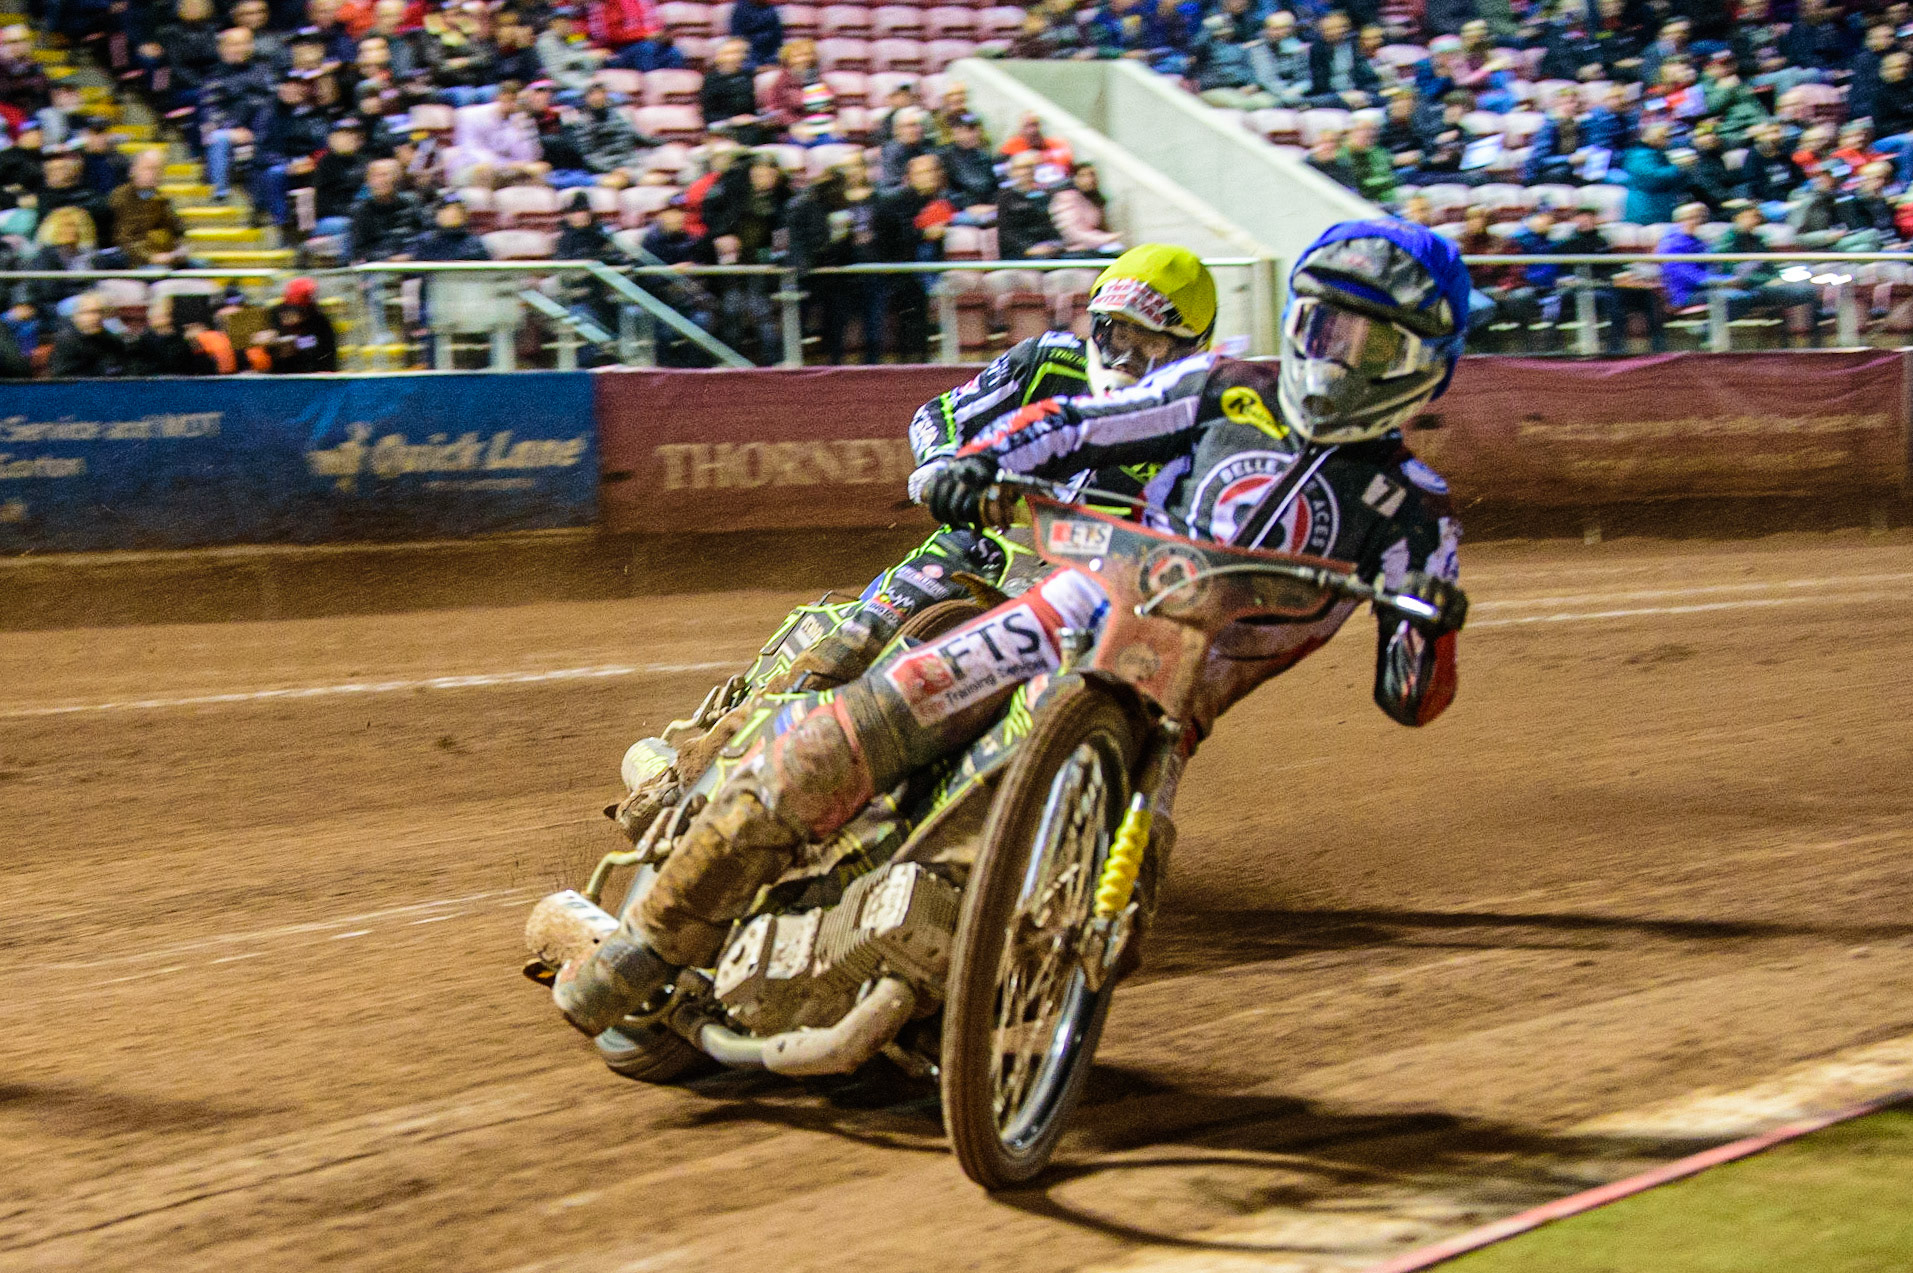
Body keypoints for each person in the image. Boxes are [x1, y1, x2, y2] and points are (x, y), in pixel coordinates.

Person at [549, 224, 1470, 1035]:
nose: (1334, 357)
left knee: (1101, 900)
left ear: (1417, 362)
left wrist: (1429, 622)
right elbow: (1078, 422)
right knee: (837, 730)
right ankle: (652, 931)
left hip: (1169, 697)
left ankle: (938, 991)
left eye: (1367, 341)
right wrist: (977, 463)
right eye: (1321, 327)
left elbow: (1410, 695)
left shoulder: (1418, 519)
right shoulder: (1226, 389)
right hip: (1058, 602)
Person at [607, 245, 1202, 846]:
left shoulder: (1206, 429)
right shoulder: (1049, 362)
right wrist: (941, 463)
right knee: (856, 643)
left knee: (1144, 709)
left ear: (1188, 347)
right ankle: (685, 780)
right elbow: (940, 413)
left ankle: (1115, 836)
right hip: (981, 550)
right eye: (1113, 333)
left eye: (1146, 341)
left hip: (1094, 597)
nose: (1123, 355)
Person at [108, 149, 188, 267]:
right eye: (149, 168)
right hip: (137, 262)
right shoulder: (121, 198)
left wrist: (180, 251)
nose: (154, 174)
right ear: (133, 170)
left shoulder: (162, 199)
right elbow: (125, 241)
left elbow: (178, 231)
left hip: (168, 257)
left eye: (158, 170)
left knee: (202, 266)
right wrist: (152, 258)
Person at [250, 275, 339, 372]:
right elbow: (255, 343)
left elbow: (327, 352)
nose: (292, 315)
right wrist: (269, 343)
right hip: (279, 374)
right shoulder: (274, 314)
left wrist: (297, 344)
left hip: (309, 374)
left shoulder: (319, 321)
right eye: (290, 308)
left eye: (300, 310)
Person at [128, 293, 219, 375]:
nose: (159, 315)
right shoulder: (142, 343)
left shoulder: (182, 342)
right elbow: (138, 371)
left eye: (164, 313)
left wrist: (196, 346)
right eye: (156, 310)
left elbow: (206, 371)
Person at [997, 150, 1064, 259]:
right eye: (1021, 168)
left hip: (1053, 249)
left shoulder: (1051, 195)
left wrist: (1055, 245)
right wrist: (1028, 248)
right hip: (1021, 253)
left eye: (1031, 167)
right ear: (1011, 172)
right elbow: (1008, 232)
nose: (1026, 172)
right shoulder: (1004, 198)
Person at [1050, 161, 1124, 256]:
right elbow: (1073, 232)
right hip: (1077, 251)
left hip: (1099, 247)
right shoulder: (1067, 198)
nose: (1090, 179)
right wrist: (1106, 239)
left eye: (1092, 175)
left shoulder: (1097, 199)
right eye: (1083, 176)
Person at [49, 290, 128, 378]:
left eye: (99, 312)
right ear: (76, 316)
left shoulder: (112, 340)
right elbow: (64, 377)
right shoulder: (66, 341)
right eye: (88, 312)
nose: (96, 317)